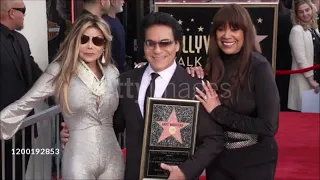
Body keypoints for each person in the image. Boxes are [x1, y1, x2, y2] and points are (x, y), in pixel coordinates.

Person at [61, 12, 225, 180]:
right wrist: (79, 130)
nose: (157, 50)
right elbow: (111, 125)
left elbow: (214, 138)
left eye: (165, 43)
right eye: (150, 43)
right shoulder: (126, 81)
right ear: (143, 46)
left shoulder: (194, 86)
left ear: (177, 45)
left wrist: (186, 171)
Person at [0, 14, 125, 179]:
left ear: (104, 45)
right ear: (74, 41)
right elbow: (24, 103)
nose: (90, 46)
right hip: (78, 159)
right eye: (84, 39)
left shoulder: (112, 73)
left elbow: (126, 112)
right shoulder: (59, 71)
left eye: (97, 41)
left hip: (113, 158)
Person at [189, 4, 280, 179]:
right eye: (221, 29)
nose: (226, 35)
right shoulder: (211, 64)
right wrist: (191, 77)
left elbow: (269, 126)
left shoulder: (259, 67)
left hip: (255, 162)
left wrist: (218, 111)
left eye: (234, 29)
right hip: (218, 160)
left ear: (245, 33)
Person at [0, 0, 43, 179]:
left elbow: (35, 75)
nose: (24, 14)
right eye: (22, 10)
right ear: (11, 12)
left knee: (18, 174)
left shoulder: (22, 40)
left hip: (23, 128)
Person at [288, 0, 320, 111]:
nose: (305, 14)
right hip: (304, 82)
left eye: (307, 10)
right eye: (301, 12)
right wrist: (311, 80)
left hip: (315, 80)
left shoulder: (314, 28)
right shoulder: (296, 30)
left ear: (312, 9)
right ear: (296, 15)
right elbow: (301, 58)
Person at [103, 0, 127, 73]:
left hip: (120, 68)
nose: (123, 2)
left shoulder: (117, 20)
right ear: (113, 2)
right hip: (111, 69)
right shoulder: (105, 22)